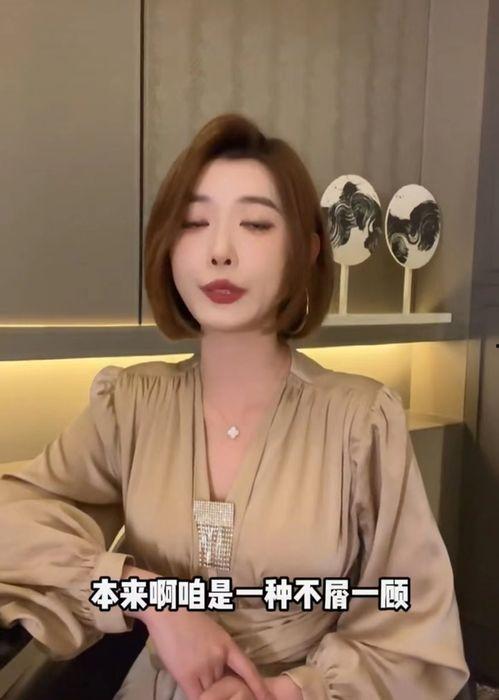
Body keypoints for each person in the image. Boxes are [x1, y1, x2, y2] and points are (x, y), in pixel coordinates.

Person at [0, 113, 469, 699]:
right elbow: (12, 520)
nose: (219, 251)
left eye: (255, 223)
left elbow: (414, 622)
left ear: (306, 250)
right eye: (195, 223)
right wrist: (150, 598)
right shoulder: (132, 404)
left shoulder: (361, 421)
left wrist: (288, 690)